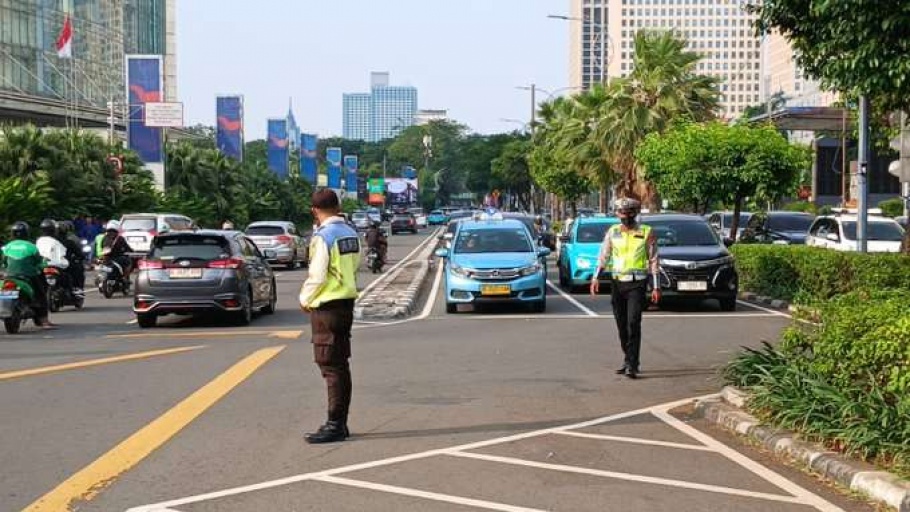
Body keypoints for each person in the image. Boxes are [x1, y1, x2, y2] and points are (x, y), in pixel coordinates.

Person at [299, 189, 361, 444]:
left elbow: (317, 275)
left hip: (327, 306)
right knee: (340, 364)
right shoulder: (350, 233)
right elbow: (355, 266)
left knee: (331, 366)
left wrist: (305, 300)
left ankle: (335, 424)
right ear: (337, 206)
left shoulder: (323, 237)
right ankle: (340, 423)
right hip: (346, 302)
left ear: (314, 210)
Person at [590, 198, 660, 379]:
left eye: (629, 213)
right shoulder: (613, 232)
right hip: (617, 282)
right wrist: (596, 277)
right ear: (617, 214)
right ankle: (627, 358)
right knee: (621, 325)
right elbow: (603, 256)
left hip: (637, 283)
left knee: (633, 323)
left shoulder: (646, 232)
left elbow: (654, 260)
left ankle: (633, 364)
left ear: (635, 213)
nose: (625, 217)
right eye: (622, 213)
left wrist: (656, 286)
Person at [1, 222, 54, 328]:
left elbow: (4, 262)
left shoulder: (6, 247)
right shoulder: (31, 247)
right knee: (41, 294)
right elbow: (38, 262)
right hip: (28, 275)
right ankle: (44, 321)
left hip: (10, 276)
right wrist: (42, 265)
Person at [58, 221, 86, 293]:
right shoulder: (70, 241)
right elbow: (80, 254)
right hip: (64, 263)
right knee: (78, 268)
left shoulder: (47, 241)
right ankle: (78, 288)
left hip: (51, 263)